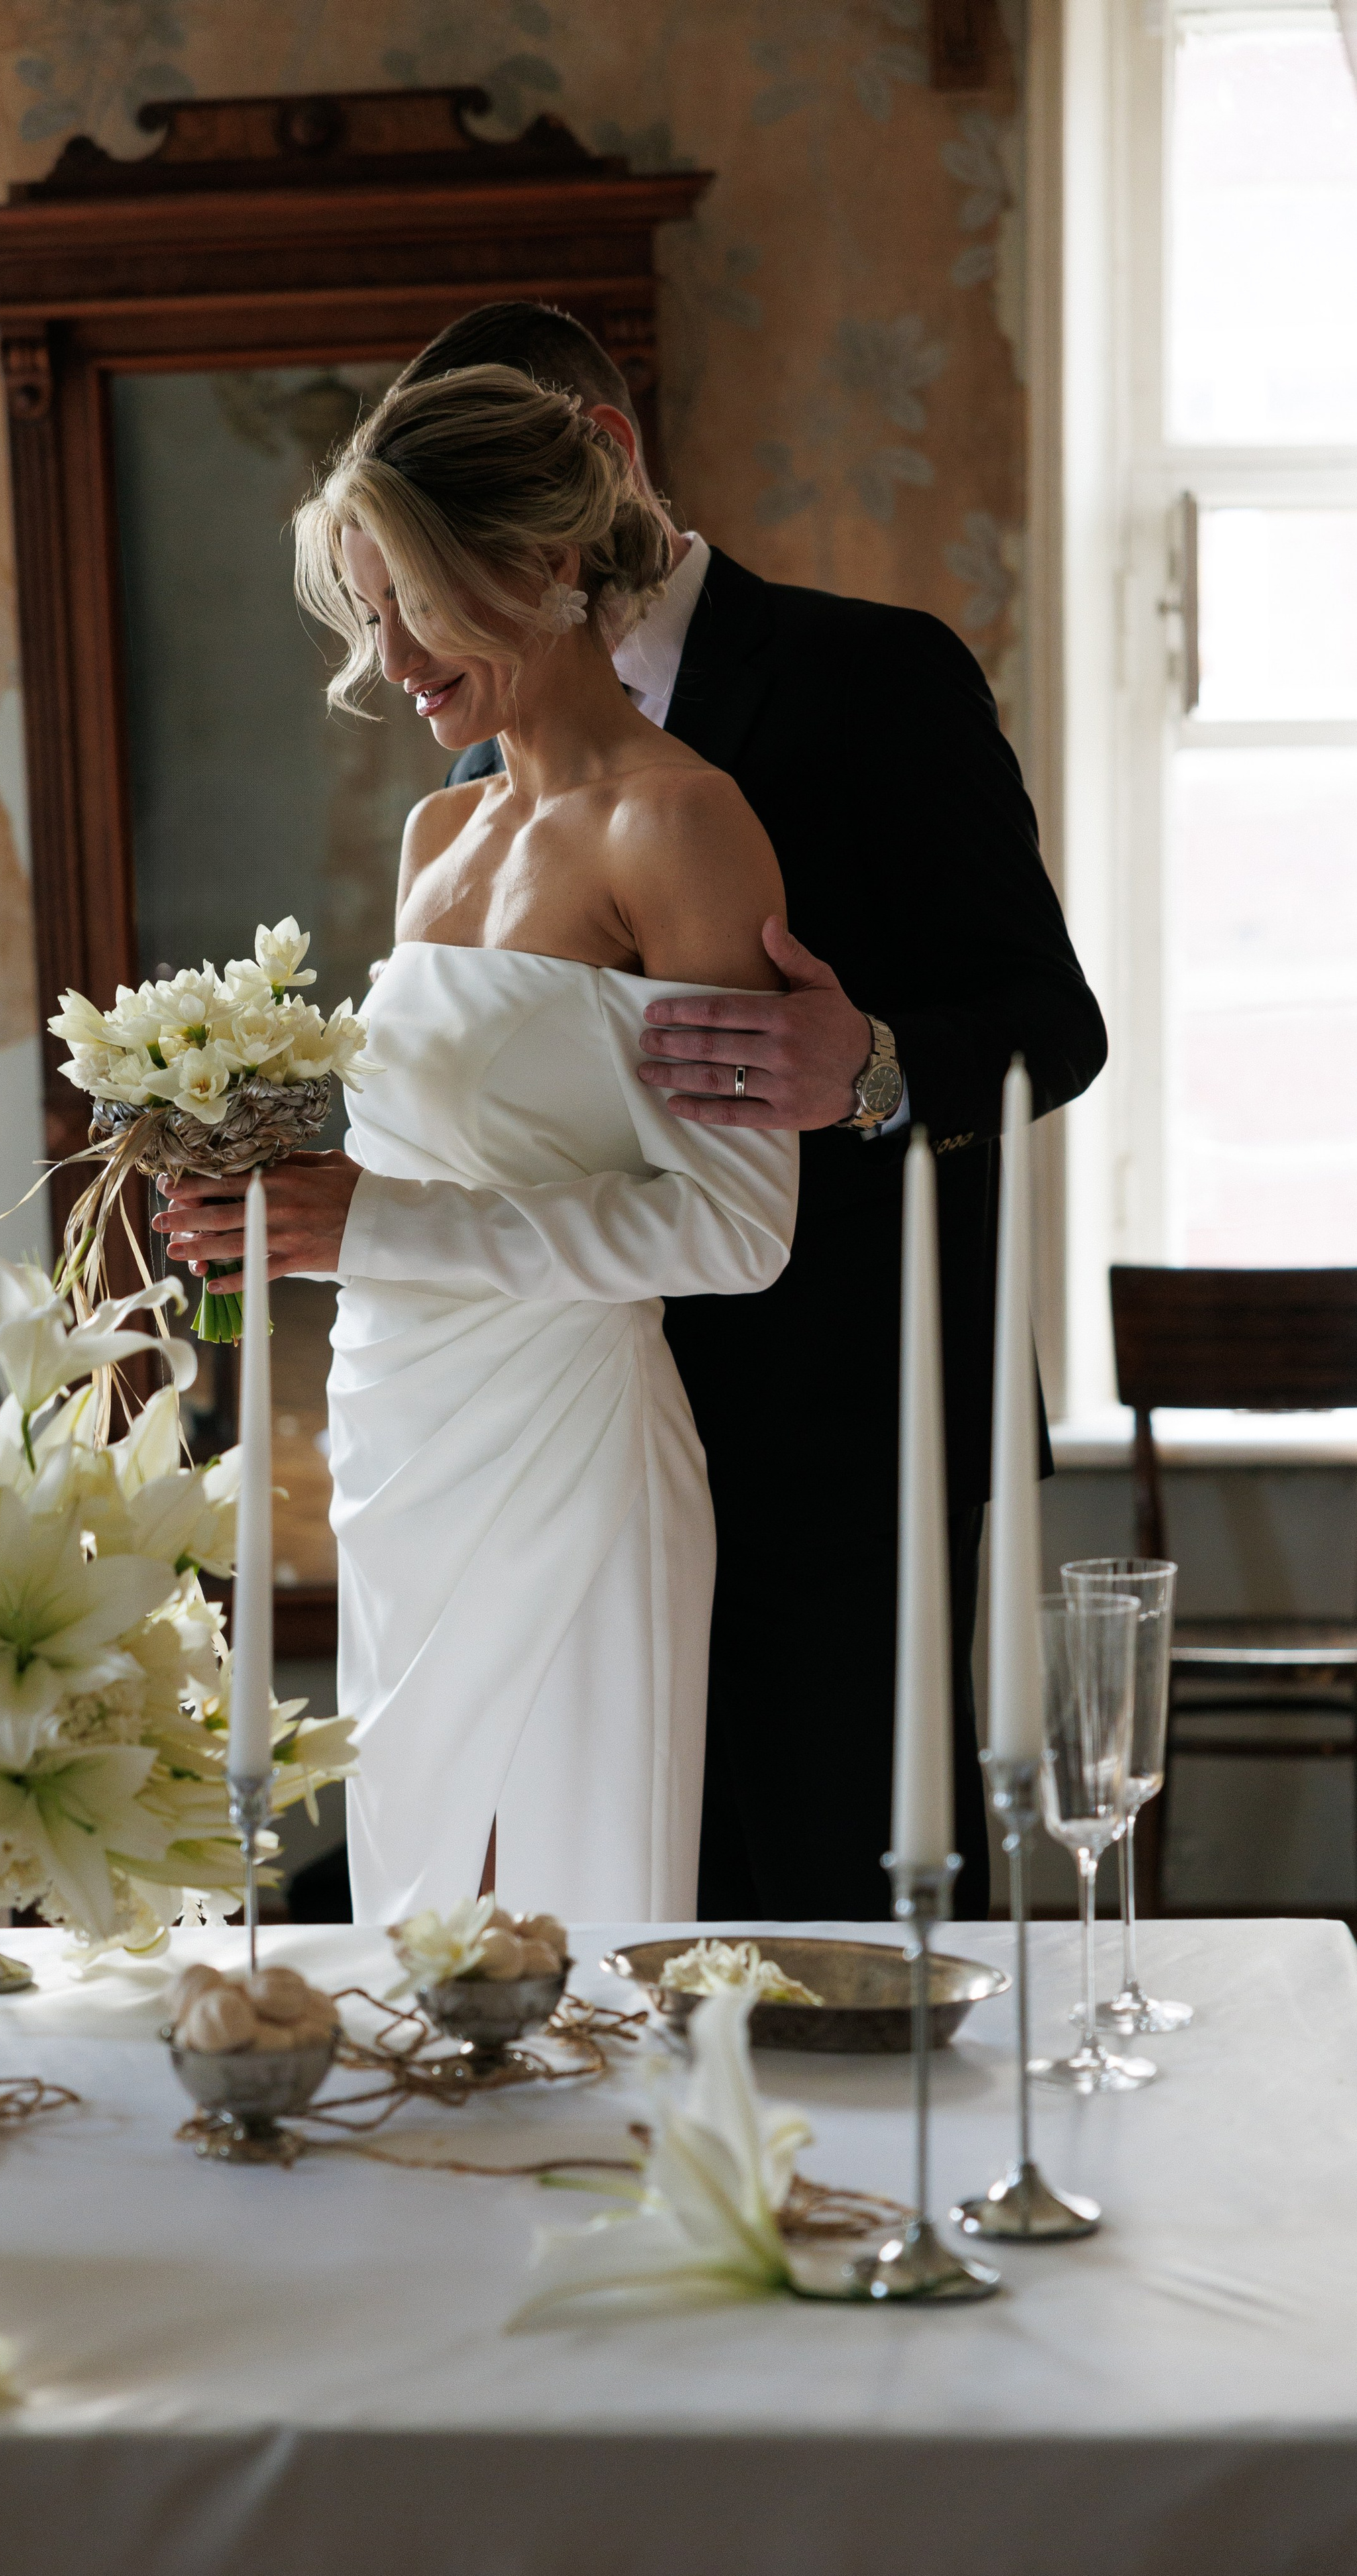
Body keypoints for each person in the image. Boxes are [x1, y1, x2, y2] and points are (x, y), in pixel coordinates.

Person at [394, 303, 1109, 1925]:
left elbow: (1051, 1028)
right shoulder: (458, 800)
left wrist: (867, 1068)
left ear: (597, 459)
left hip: (843, 1412)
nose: (420, 617)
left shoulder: (875, 675)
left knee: (828, 1900)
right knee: (600, 1892)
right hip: (565, 1422)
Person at [158, 365, 798, 1925]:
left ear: (544, 564)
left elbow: (736, 1229)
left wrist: (371, 1227)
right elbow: (438, 1140)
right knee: (410, 1947)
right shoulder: (435, 835)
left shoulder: (683, 825)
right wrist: (261, 1184)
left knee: (554, 1963)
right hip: (400, 1453)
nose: (388, 662)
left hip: (566, 1454)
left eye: (415, 604)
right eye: (368, 617)